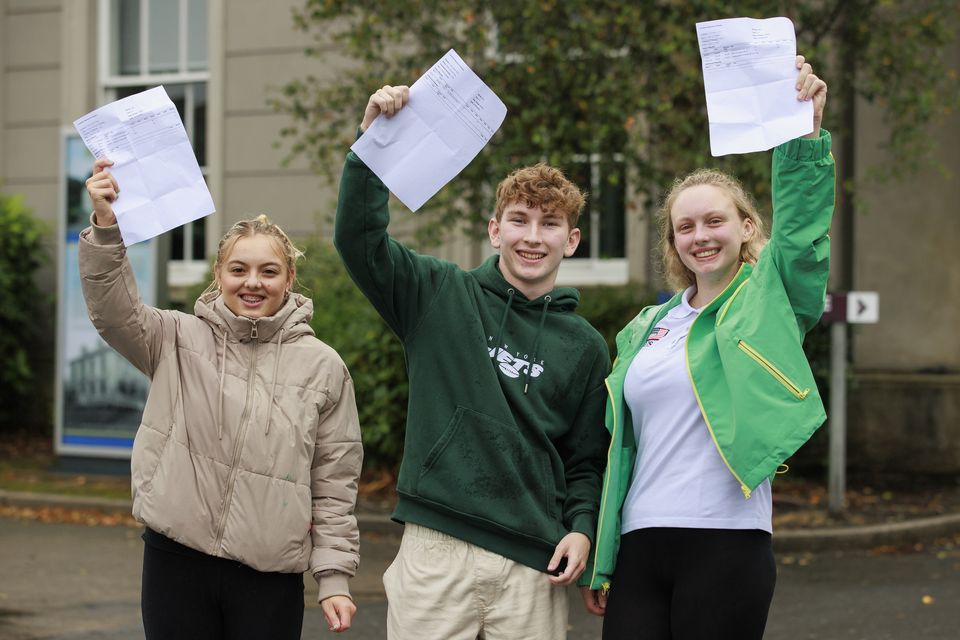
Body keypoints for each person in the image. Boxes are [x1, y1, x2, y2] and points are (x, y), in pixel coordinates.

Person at [334, 84, 611, 639]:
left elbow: (585, 461)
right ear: (494, 229)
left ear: (572, 240)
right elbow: (360, 240)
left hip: (533, 563)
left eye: (550, 224)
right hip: (437, 549)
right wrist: (373, 147)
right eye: (519, 219)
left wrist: (584, 530)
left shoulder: (585, 346)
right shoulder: (437, 294)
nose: (533, 237)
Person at [579, 56, 833, 640]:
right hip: (642, 544)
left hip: (727, 541)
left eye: (714, 221)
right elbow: (625, 446)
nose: (700, 236)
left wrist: (806, 139)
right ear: (672, 242)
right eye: (685, 227)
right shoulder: (645, 326)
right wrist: (606, 553)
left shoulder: (771, 300)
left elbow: (801, 234)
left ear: (746, 227)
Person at [79, 158, 363, 638]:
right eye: (239, 269)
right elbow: (112, 312)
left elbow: (334, 481)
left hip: (269, 578)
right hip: (176, 565)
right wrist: (107, 225)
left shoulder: (324, 367)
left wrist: (334, 577)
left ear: (288, 279)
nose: (253, 282)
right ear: (218, 274)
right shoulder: (173, 337)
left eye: (268, 271)